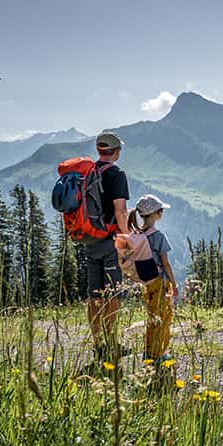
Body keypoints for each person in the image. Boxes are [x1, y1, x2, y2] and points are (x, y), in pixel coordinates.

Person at [85, 132, 130, 359]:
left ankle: (98, 343)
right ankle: (112, 343)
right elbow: (121, 211)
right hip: (110, 240)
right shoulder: (116, 174)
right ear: (116, 151)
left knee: (95, 295)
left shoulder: (88, 172)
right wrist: (127, 240)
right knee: (113, 294)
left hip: (90, 240)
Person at [128, 194, 179, 360]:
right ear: (156, 214)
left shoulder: (136, 234)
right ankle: (158, 354)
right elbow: (166, 263)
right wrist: (174, 284)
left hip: (146, 282)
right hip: (159, 282)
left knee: (152, 317)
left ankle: (149, 351)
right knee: (163, 318)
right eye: (161, 210)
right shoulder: (158, 237)